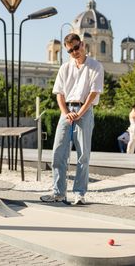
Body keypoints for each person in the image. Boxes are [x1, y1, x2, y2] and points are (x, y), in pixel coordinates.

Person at [40, 33, 104, 205]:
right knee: (58, 152)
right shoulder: (64, 68)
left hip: (85, 110)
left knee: (83, 154)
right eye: (70, 50)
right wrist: (66, 112)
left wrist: (80, 113)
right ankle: (58, 192)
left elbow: (93, 93)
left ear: (82, 44)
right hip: (66, 111)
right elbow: (59, 93)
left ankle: (79, 193)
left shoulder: (95, 66)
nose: (75, 52)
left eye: (76, 47)